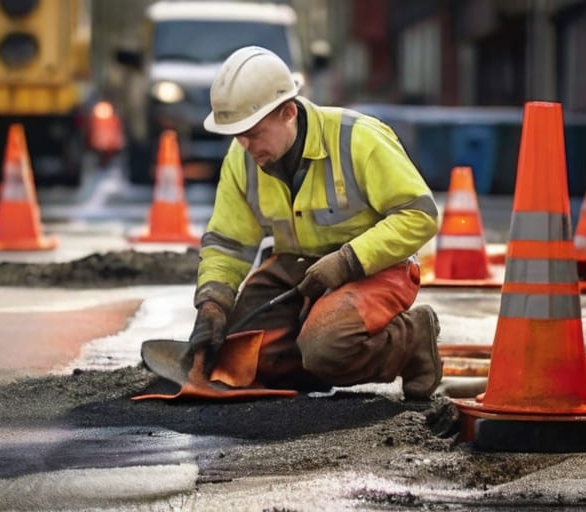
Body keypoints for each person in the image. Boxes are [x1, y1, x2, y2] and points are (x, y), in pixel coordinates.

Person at [186, 46, 442, 399]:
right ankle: (311, 369)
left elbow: (420, 216)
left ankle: (411, 337)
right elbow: (228, 242)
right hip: (299, 268)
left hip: (374, 267)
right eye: (237, 135)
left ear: (288, 112)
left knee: (325, 347)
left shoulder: (358, 139)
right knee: (242, 356)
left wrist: (347, 260)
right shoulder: (242, 159)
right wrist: (213, 304)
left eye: (253, 132)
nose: (244, 145)